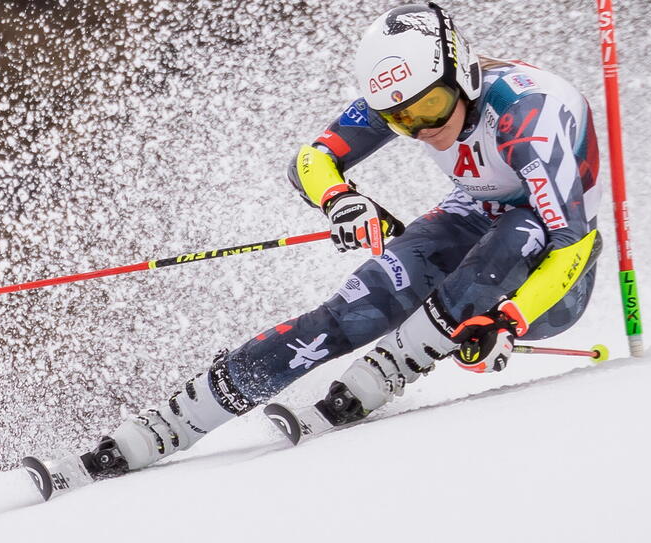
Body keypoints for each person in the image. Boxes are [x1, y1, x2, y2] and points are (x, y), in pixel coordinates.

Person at [81, 2, 601, 475]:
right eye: (402, 120)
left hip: (553, 279)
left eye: (433, 107)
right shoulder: (412, 93)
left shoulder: (525, 119)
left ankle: (392, 367)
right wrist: (339, 199)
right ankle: (182, 415)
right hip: (470, 217)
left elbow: (572, 244)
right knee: (363, 301)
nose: (422, 128)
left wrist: (510, 319)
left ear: (461, 73)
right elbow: (311, 159)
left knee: (521, 229)